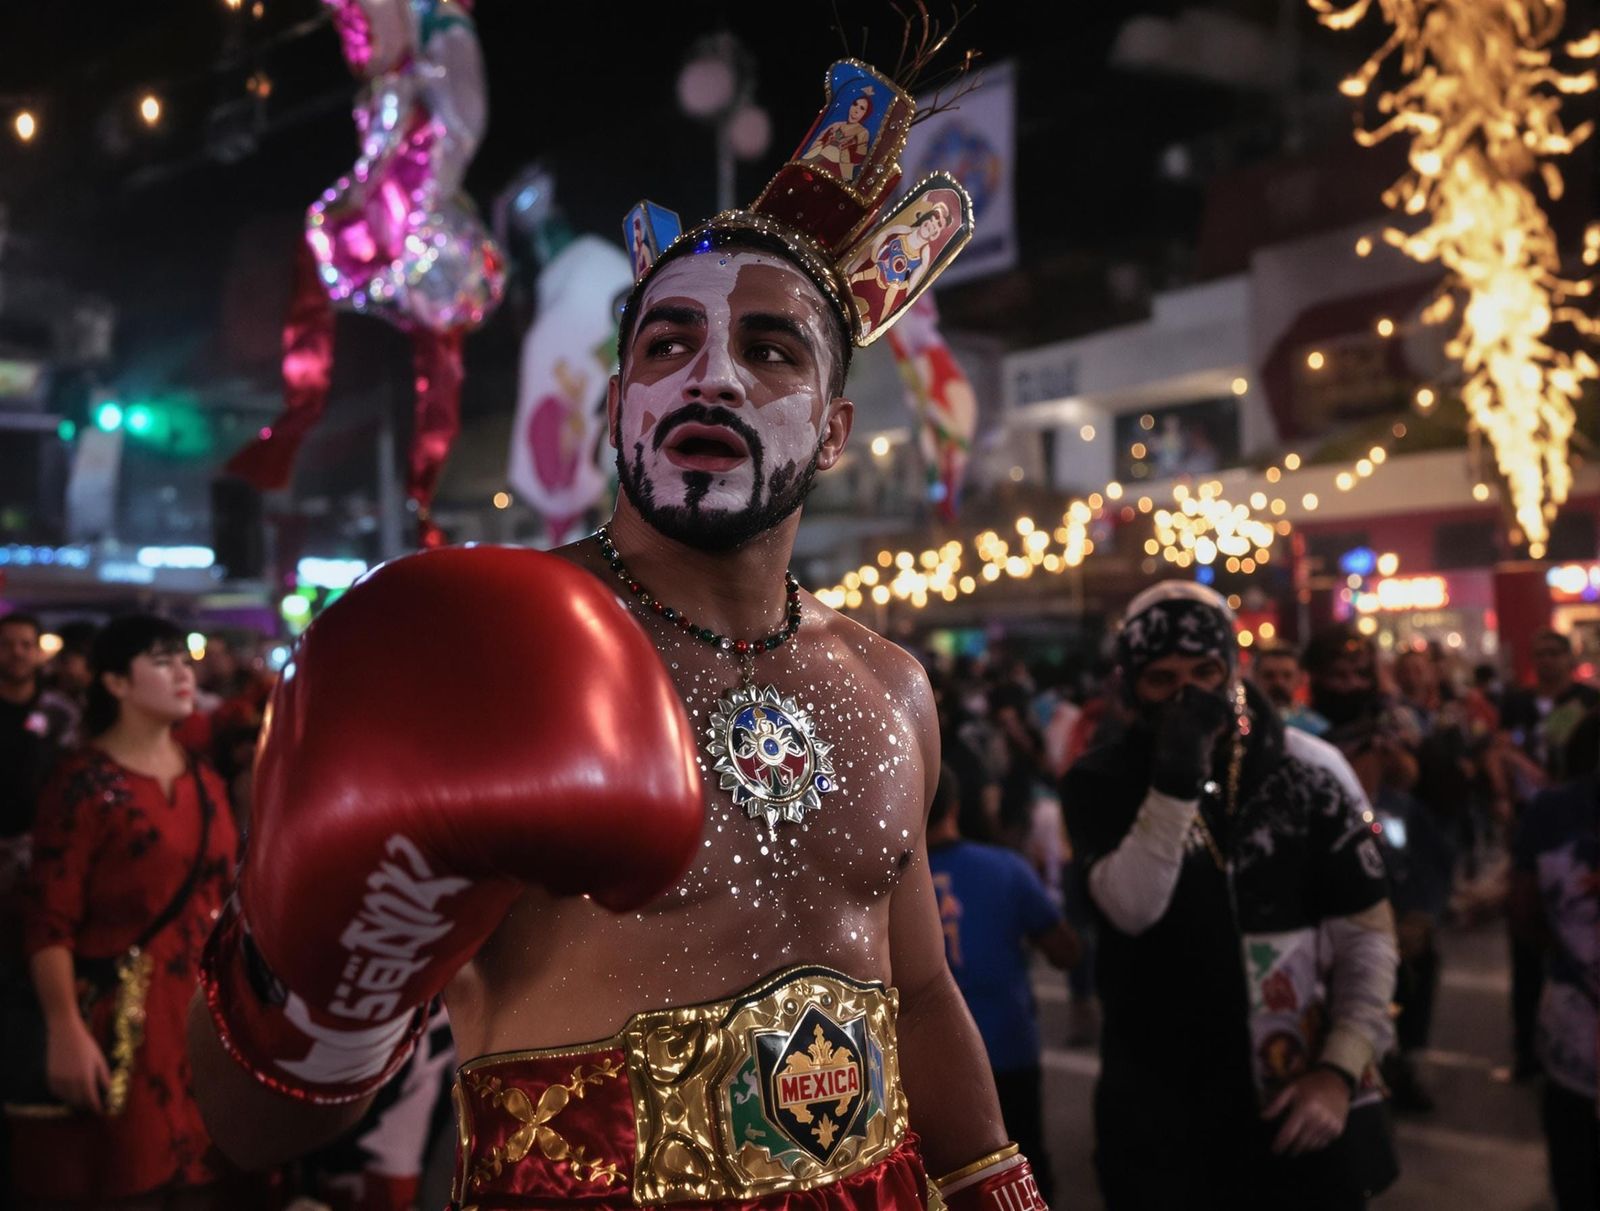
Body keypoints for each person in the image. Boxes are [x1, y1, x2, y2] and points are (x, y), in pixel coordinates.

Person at [190, 53, 1046, 1211]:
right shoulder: (492, 645)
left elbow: (922, 988)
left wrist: (999, 1186)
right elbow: (244, 1126)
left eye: (771, 349)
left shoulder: (890, 685)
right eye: (665, 344)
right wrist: (323, 971)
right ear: (618, 406)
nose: (714, 378)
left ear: (835, 428)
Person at [1063, 583, 1399, 1210]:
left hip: (1295, 1096)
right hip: (1158, 1116)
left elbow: (1367, 933)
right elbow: (1130, 908)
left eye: (1205, 671)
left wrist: (1340, 1069)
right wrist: (1174, 782)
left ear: (1232, 670)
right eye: (1161, 678)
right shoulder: (1098, 779)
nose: (1187, 693)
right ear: (1130, 684)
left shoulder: (1310, 769)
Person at [11, 615, 242, 1207]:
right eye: (161, 661)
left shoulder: (205, 781)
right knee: (130, 1182)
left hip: (202, 1018)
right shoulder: (84, 783)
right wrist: (64, 1026)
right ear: (115, 682)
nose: (182, 672)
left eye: (183, 660)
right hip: (119, 1027)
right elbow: (49, 919)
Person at [927, 764, 1079, 1206]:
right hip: (1008, 1047)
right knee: (1023, 1167)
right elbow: (1064, 950)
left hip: (926, 1064)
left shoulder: (890, 883)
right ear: (956, 807)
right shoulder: (1006, 868)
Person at [1509, 710, 1599, 1211]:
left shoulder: (1550, 811)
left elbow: (1524, 914)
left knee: (1576, 1174)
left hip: (1572, 1027)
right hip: (1573, 1034)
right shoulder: (1553, 812)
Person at [1253, 644, 1329, 737]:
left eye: (1287, 675)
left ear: (1300, 678)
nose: (1279, 683)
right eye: (1269, 675)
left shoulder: (1317, 727)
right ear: (1255, 677)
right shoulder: (1246, 723)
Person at [799, 91, 874, 182]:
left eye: (862, 108)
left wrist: (845, 147)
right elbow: (817, 141)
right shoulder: (836, 125)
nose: (856, 110)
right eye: (855, 104)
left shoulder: (863, 132)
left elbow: (859, 159)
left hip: (838, 168)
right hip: (817, 158)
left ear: (866, 114)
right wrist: (826, 142)